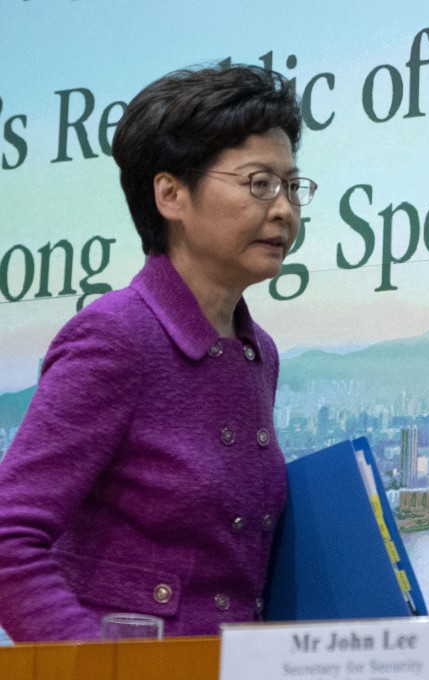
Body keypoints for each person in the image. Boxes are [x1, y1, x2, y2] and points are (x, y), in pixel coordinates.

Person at [0, 64, 317, 641]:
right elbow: (7, 536)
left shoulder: (258, 352)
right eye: (259, 184)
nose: (285, 210)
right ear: (171, 193)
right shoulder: (115, 336)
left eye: (293, 187)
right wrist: (97, 666)